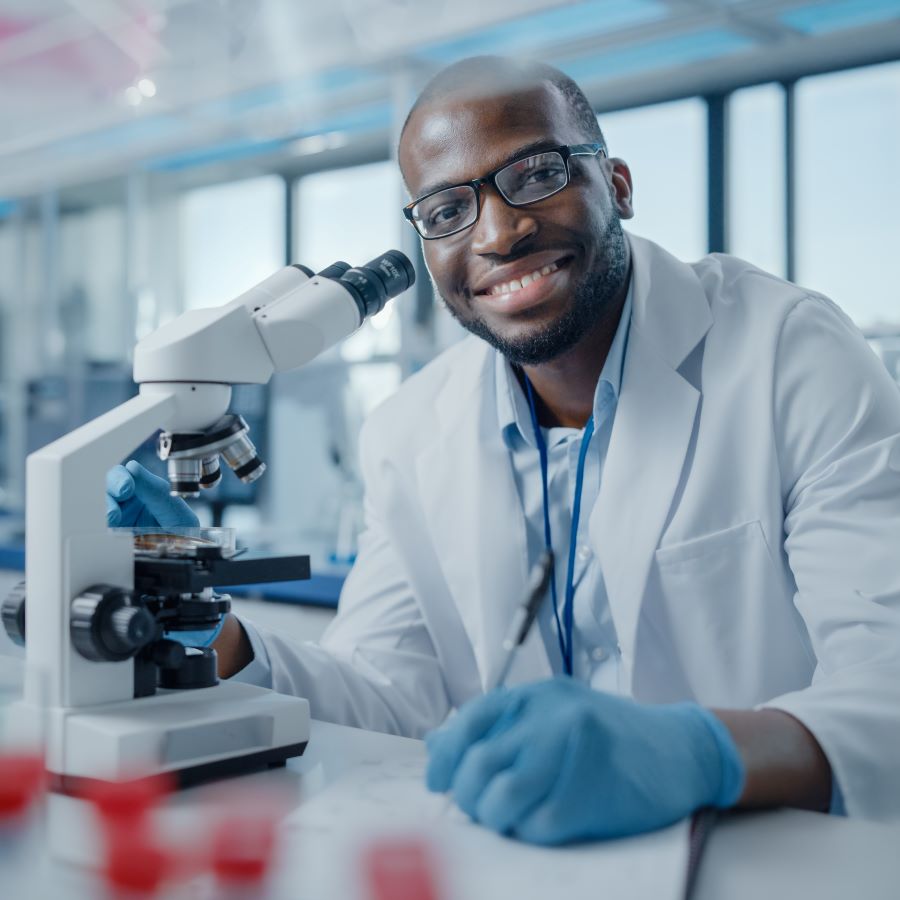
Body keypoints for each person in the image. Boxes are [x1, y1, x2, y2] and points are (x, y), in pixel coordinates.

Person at [107, 56, 900, 845]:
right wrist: (213, 630)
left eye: (535, 173)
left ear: (617, 184)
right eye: (447, 210)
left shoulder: (790, 354)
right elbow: (388, 697)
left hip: (763, 858)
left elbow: (885, 681)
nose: (499, 232)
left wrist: (705, 754)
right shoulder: (409, 431)